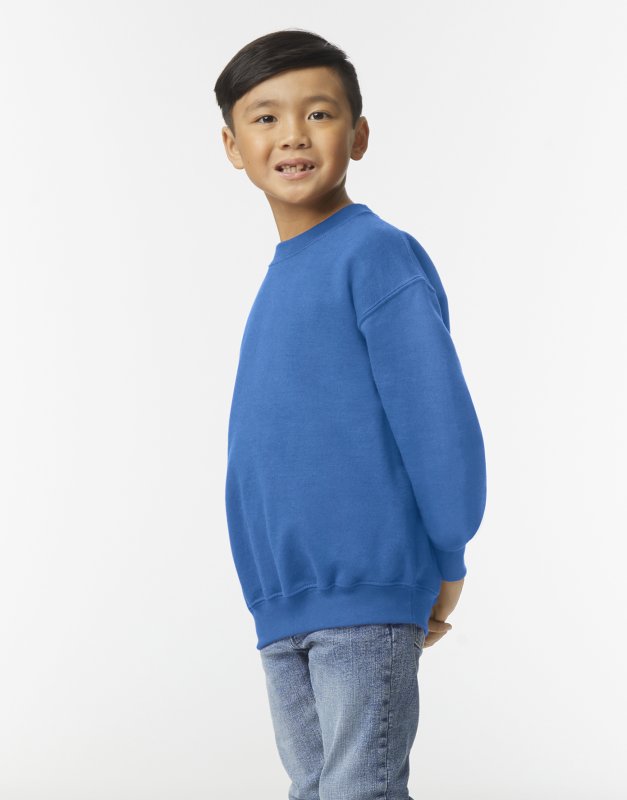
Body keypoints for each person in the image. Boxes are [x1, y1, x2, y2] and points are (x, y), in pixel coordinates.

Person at [214, 28, 487, 800]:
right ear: (232, 145)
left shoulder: (374, 254)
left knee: (356, 790)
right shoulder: (280, 278)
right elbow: (265, 447)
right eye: (265, 117)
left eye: (319, 113)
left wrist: (447, 556)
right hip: (283, 604)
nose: (292, 135)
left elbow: (433, 416)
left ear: (358, 135)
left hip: (365, 589)